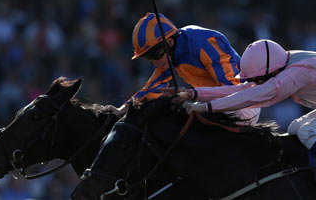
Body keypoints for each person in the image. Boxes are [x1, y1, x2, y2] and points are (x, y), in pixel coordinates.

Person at [106, 12, 260, 124]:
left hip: (244, 102)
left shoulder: (204, 43)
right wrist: (122, 110)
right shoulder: (169, 54)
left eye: (155, 55)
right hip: (216, 102)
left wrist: (193, 96)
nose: (155, 63)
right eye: (149, 58)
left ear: (170, 43)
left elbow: (233, 90)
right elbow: (152, 89)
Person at [182, 39, 316, 155]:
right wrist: (193, 94)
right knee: (294, 129)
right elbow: (240, 89)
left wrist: (206, 107)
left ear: (273, 71)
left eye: (258, 79)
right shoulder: (281, 61)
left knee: (307, 132)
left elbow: (254, 95)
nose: (256, 83)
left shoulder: (295, 73)